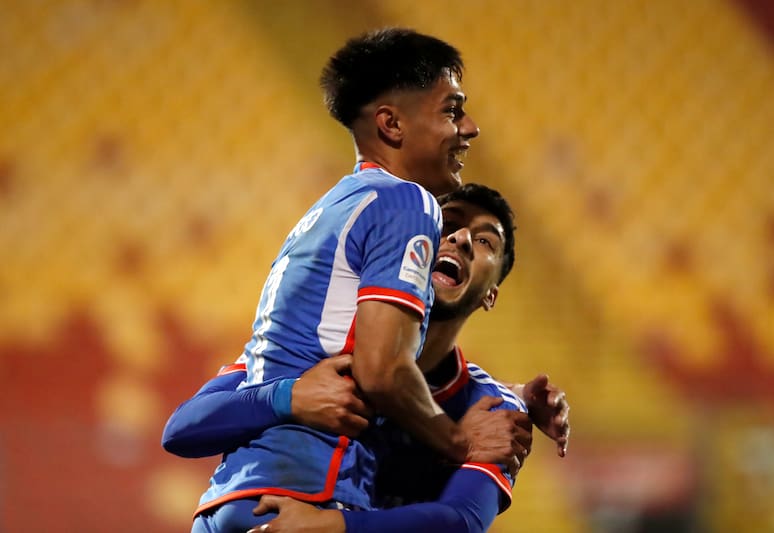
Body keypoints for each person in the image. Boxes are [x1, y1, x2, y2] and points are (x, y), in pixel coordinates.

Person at [176, 28, 533, 531]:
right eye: (452, 111)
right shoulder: (409, 201)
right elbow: (383, 371)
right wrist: (459, 441)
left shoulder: (329, 211)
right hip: (303, 499)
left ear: (492, 291)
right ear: (392, 124)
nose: (470, 128)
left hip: (228, 503)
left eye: (485, 241)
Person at [163, 184, 571, 532]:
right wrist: (289, 397)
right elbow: (181, 429)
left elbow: (461, 520)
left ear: (491, 295)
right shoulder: (322, 341)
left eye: (484, 242)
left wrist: (331, 525)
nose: (461, 238)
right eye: (448, 223)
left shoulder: (491, 410)